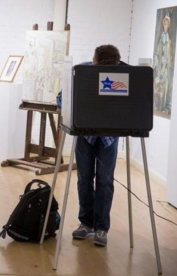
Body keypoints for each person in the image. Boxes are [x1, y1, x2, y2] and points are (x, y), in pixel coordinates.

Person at [71, 45, 123, 246]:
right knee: (85, 179)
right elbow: (61, 98)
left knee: (104, 181)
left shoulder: (123, 76)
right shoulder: (82, 72)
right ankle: (86, 223)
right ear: (94, 61)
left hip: (108, 138)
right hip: (86, 136)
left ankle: (101, 228)